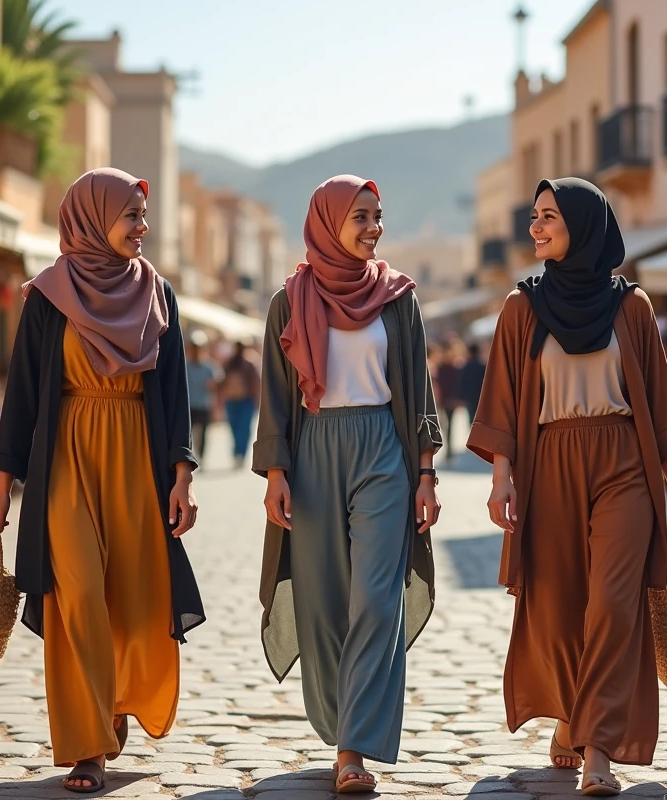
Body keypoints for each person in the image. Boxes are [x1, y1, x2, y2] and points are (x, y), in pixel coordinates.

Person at [468, 178, 667, 797]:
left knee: (615, 604)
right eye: (535, 217)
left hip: (625, 462)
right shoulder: (522, 308)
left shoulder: (634, 308)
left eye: (549, 218)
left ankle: (598, 746)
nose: (536, 228)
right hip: (551, 463)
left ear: (584, 227)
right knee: (563, 601)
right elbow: (504, 402)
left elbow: (660, 403)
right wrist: (500, 479)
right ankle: (571, 715)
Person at [0, 169, 205, 793]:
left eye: (143, 215)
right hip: (67, 459)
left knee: (132, 597)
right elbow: (22, 395)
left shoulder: (158, 292)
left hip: (136, 452)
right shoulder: (48, 298)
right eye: (130, 215)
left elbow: (176, 391)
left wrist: (181, 476)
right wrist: (3, 485)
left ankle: (112, 702)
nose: (143, 227)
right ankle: (87, 746)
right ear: (92, 217)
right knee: (76, 596)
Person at [253, 175, 442, 794]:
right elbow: (276, 397)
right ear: (328, 221)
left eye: (377, 216)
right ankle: (341, 722)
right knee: (324, 600)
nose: (372, 227)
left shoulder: (398, 298)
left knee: (376, 600)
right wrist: (276, 472)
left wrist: (425, 472)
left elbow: (417, 386)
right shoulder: (290, 299)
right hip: (313, 453)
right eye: (359, 216)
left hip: (383, 452)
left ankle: (353, 747)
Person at [219, 341, 260, 468]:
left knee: (243, 429)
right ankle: (238, 453)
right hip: (233, 401)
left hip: (245, 400)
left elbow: (255, 382)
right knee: (236, 429)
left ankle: (240, 454)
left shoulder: (249, 363)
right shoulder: (230, 364)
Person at [185, 331, 222, 464]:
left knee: (203, 433)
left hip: (204, 405)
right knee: (188, 434)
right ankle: (189, 456)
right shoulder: (185, 366)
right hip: (188, 405)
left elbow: (216, 387)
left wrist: (217, 407)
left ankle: (201, 455)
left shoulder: (209, 366)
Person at [435, 339, 463, 456]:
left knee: (450, 423)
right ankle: (447, 446)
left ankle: (449, 448)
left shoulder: (457, 366)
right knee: (444, 423)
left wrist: (458, 399)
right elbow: (439, 383)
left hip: (452, 399)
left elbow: (459, 384)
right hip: (444, 399)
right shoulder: (441, 366)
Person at [460, 341, 487, 426]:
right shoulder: (483, 366)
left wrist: (461, 396)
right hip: (480, 395)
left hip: (470, 397)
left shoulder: (466, 366)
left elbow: (462, 382)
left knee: (471, 417)